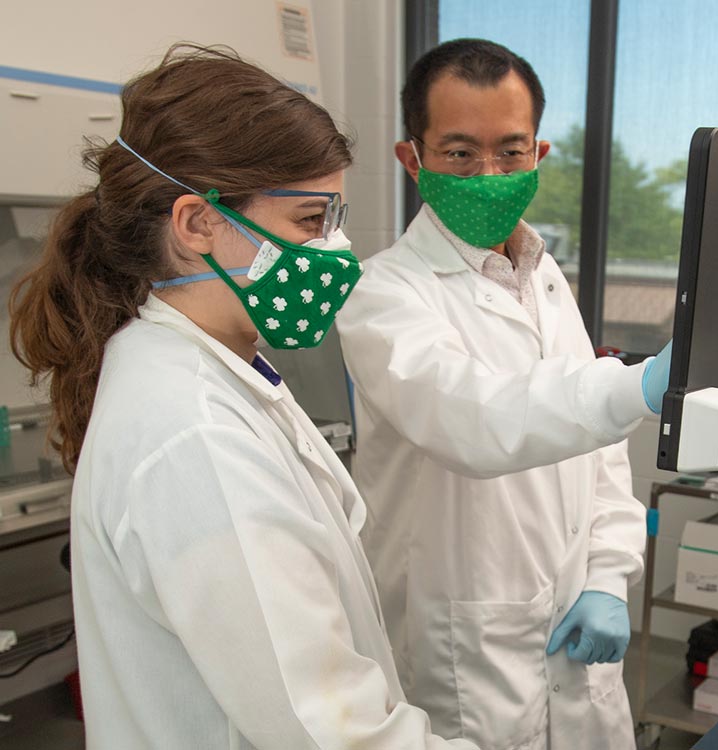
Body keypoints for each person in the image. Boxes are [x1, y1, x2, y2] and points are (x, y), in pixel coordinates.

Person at [8, 45, 478, 750]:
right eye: (310, 221)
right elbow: (328, 730)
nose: (338, 250)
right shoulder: (193, 432)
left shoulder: (214, 367)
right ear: (197, 224)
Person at [335, 39, 672, 750]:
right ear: (413, 158)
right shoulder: (381, 294)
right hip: (460, 651)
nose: (489, 173)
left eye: (510, 152)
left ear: (539, 154)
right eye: (460, 153)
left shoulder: (545, 279)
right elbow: (476, 421)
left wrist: (610, 575)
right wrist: (639, 385)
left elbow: (600, 453)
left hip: (574, 638)